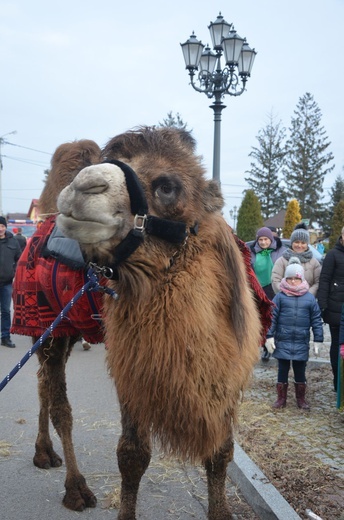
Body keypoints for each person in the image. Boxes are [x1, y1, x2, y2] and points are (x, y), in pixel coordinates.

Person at [266, 258, 323, 410]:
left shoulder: (310, 299)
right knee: (282, 370)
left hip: (301, 341)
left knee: (300, 371)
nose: (292, 282)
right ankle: (281, 398)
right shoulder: (280, 297)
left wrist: (318, 339)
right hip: (283, 340)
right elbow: (272, 318)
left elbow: (316, 320)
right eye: (289, 278)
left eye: (296, 279)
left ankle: (301, 398)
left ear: (302, 279)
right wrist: (269, 336)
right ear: (285, 279)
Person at [249, 226, 287, 361]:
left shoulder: (281, 251)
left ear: (271, 239)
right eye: (261, 239)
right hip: (257, 289)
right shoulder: (252, 252)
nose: (263, 242)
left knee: (273, 317)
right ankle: (260, 346)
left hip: (274, 288)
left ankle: (272, 345)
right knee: (259, 318)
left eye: (266, 239)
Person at [317, 226, 344, 392]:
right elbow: (324, 280)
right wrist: (323, 305)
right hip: (336, 308)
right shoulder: (333, 255)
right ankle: (337, 380)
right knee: (337, 345)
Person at [271, 223, 321, 296]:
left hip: (306, 302)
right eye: (296, 242)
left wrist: (308, 295)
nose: (299, 245)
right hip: (286, 301)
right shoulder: (282, 260)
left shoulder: (314, 262)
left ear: (307, 244)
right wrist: (287, 294)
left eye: (303, 243)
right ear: (292, 243)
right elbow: (275, 280)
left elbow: (318, 282)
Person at [0, 216, 21, 348]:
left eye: (2, 226)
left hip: (7, 283)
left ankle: (5, 337)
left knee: (6, 311)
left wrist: (14, 271)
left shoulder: (13, 241)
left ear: (5, 227)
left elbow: (19, 258)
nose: (0, 229)